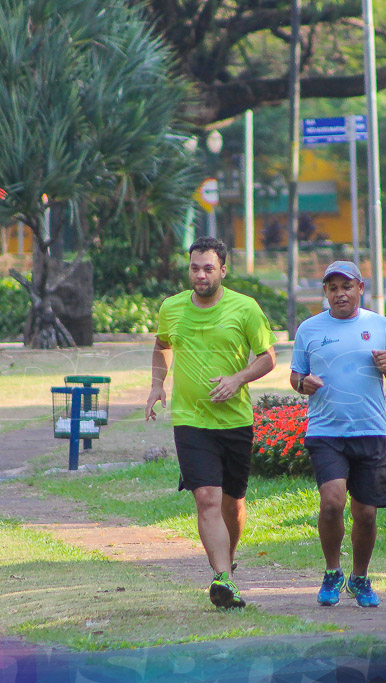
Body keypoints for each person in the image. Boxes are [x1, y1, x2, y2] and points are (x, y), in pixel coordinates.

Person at [145, 237, 277, 609]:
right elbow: (161, 345)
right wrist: (157, 384)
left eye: (207, 268)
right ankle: (222, 577)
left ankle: (227, 566)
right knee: (206, 498)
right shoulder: (171, 308)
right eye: (194, 267)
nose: (200, 275)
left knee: (232, 503)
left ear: (223, 269)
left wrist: (237, 379)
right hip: (190, 419)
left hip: (235, 420)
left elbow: (268, 358)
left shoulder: (245, 308)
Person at [290, 261, 386, 608]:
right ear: (325, 292)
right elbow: (296, 376)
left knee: (367, 515)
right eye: (332, 288)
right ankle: (332, 572)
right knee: (331, 504)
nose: (340, 293)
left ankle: (360, 577)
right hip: (326, 431)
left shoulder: (380, 325)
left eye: (347, 286)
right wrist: (303, 383)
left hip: (370, 430)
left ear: (360, 288)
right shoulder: (309, 329)